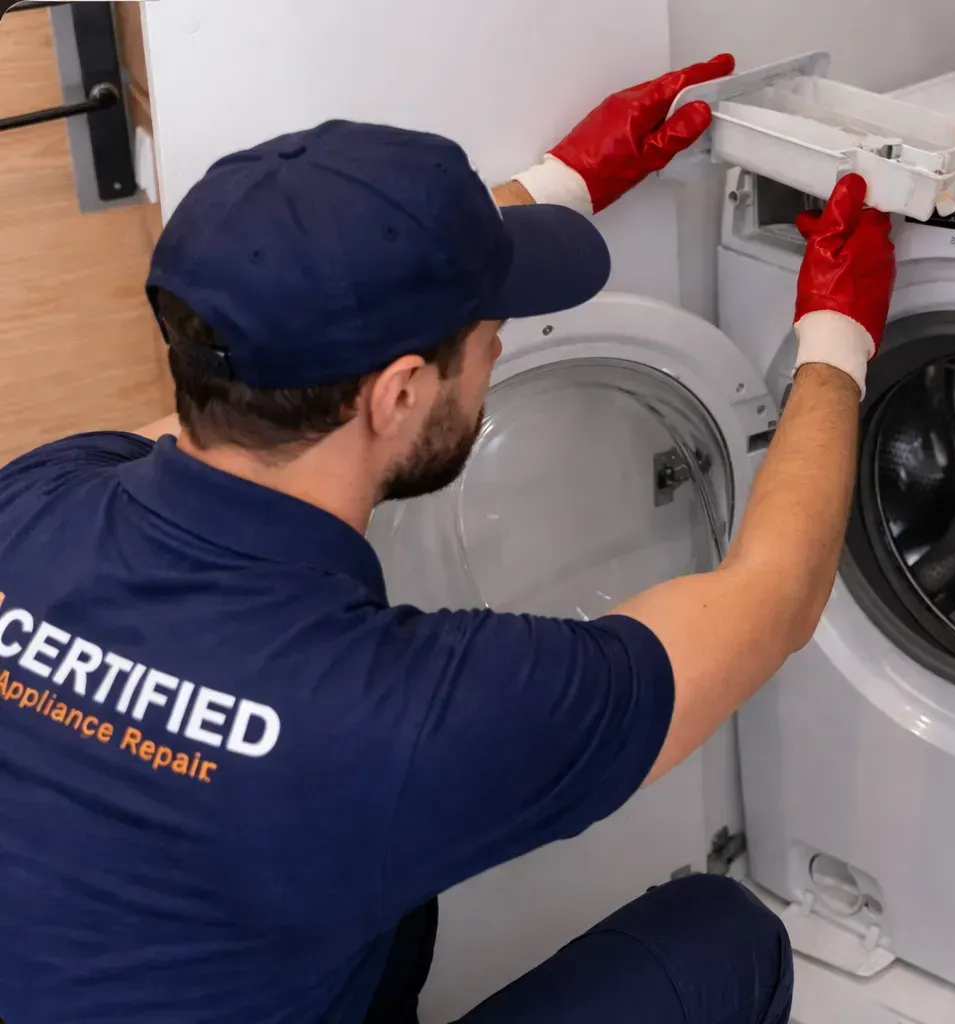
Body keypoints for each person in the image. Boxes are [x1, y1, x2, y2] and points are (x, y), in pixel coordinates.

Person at [0, 54, 895, 1024]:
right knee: (727, 940)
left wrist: (556, 187)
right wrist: (838, 340)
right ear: (398, 394)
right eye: (484, 332)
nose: (500, 343)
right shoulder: (400, 715)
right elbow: (777, 593)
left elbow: (254, 382)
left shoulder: (37, 496)